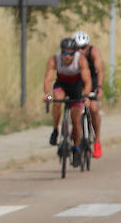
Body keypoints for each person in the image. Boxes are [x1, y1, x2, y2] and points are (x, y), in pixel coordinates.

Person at [44, 36, 93, 166]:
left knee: (76, 119)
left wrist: (86, 96)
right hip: (61, 85)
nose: (67, 56)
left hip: (76, 87)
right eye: (64, 53)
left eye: (70, 53)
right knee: (57, 100)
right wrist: (48, 96)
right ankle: (55, 130)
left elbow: (87, 81)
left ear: (75, 53)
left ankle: (76, 149)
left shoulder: (80, 60)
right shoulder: (55, 59)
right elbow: (48, 80)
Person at [73, 30, 104, 158]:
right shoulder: (70, 55)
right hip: (78, 82)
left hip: (93, 81)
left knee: (93, 108)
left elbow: (100, 71)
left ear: (88, 46)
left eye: (83, 47)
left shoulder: (93, 52)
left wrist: (100, 87)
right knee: (75, 109)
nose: (80, 51)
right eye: (77, 48)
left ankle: (97, 141)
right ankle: (75, 133)